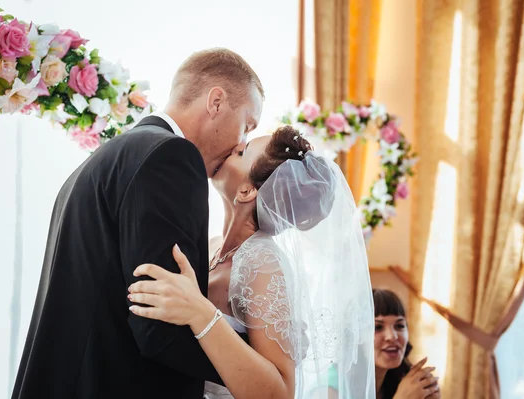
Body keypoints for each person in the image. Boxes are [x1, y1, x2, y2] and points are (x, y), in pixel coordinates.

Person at [11, 48, 264, 399]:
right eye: (247, 125)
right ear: (216, 102)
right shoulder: (171, 157)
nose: (242, 143)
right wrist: (258, 359)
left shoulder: (103, 158)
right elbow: (160, 328)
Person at [128, 126, 376, 398]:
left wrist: (200, 313)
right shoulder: (210, 246)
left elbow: (280, 393)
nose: (234, 146)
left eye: (243, 151)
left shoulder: (262, 262)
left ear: (247, 191)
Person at [309, 289, 440, 398]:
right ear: (356, 337)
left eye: (399, 326)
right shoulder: (328, 391)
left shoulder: (400, 380)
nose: (392, 336)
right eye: (377, 327)